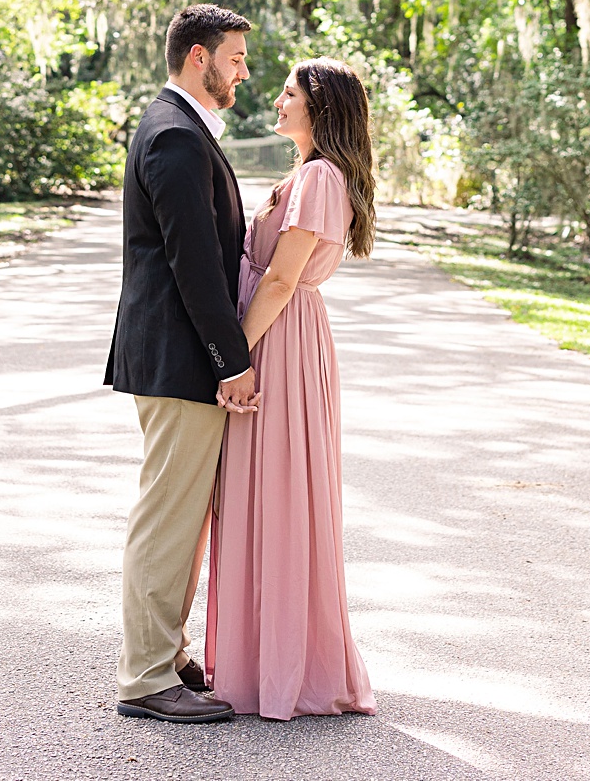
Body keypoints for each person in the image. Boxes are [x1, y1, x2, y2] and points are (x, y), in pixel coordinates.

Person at [207, 57, 377, 720]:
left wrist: (234, 356)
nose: (277, 102)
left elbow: (280, 280)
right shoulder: (311, 175)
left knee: (276, 495)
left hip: (279, 342)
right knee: (261, 495)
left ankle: (285, 668)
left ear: (320, 108)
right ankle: (261, 662)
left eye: (289, 95)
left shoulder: (319, 179)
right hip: (281, 337)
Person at [104, 3, 259, 725]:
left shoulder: (183, 129)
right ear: (199, 57)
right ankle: (143, 679)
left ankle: (168, 654)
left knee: (183, 516)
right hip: (179, 357)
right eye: (234, 58)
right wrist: (232, 361)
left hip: (177, 355)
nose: (243, 72)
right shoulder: (174, 137)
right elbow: (194, 265)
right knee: (167, 518)